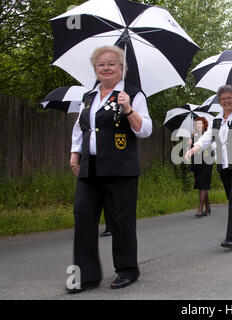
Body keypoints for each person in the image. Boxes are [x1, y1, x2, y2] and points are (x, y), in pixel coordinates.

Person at [68, 45, 152, 293]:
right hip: (89, 168)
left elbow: (145, 130)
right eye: (100, 64)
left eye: (111, 63)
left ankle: (127, 270)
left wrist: (128, 109)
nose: (105, 68)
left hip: (120, 169)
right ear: (95, 69)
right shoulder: (89, 97)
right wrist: (75, 157)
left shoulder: (133, 94)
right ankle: (86, 276)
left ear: (122, 68)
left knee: (120, 221)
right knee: (82, 216)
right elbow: (79, 129)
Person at [185, 85, 232, 250]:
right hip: (224, 164)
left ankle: (231, 238)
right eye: (223, 99)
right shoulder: (216, 120)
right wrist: (193, 149)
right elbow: (207, 138)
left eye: (229, 98)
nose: (226, 101)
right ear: (219, 101)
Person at [190, 117, 214, 218]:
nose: (198, 126)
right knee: (201, 184)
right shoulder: (193, 136)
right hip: (197, 163)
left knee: (203, 185)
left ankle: (200, 208)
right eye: (196, 124)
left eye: (200, 124)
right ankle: (208, 207)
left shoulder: (209, 135)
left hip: (207, 162)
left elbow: (212, 148)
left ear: (204, 125)